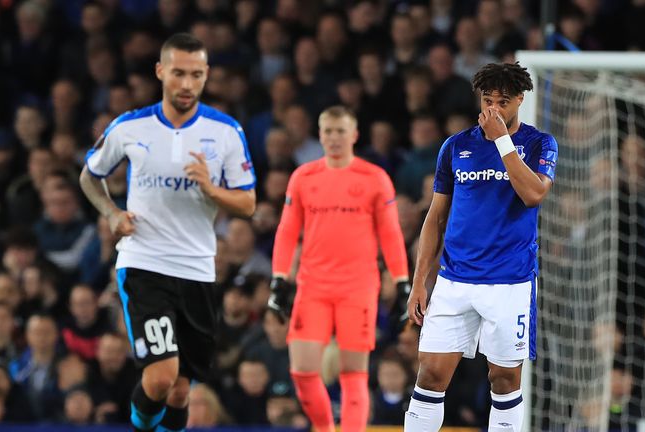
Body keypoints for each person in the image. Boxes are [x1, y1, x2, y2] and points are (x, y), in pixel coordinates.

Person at [79, 33, 256, 432]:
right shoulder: (130, 126)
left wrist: (211, 189)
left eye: (196, 74)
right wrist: (110, 214)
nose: (187, 84)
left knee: (179, 392)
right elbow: (90, 176)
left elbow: (248, 203)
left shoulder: (226, 131)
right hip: (144, 261)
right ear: (161, 71)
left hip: (197, 268)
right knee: (160, 377)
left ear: (206, 75)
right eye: (178, 73)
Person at [403, 62, 558, 432]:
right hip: (455, 281)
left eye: (503, 102)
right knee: (429, 374)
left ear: (520, 99)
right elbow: (435, 218)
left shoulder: (540, 143)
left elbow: (534, 194)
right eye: (488, 100)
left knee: (504, 380)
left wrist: (503, 140)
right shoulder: (456, 147)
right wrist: (420, 281)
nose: (493, 109)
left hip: (509, 283)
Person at [268, 106, 410, 432]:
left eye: (340, 131)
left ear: (354, 135)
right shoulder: (303, 177)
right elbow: (287, 231)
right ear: (319, 134)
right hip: (312, 285)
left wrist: (402, 282)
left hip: (358, 287)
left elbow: (390, 234)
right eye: (328, 131)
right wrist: (279, 278)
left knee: (352, 373)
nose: (333, 138)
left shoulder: (374, 178)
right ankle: (324, 428)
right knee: (302, 373)